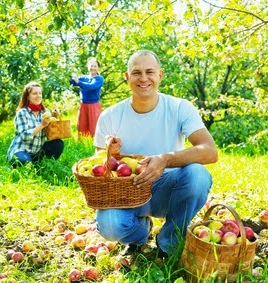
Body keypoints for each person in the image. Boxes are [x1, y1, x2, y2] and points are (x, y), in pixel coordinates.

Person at [93, 50, 218, 258]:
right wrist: (111, 155)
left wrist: (166, 158)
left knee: (198, 174)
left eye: (149, 72)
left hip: (168, 188)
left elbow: (210, 151)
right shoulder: (109, 116)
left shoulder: (179, 107)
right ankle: (138, 235)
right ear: (127, 77)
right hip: (127, 191)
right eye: (136, 72)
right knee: (110, 225)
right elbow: (98, 169)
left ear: (160, 75)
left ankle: (168, 242)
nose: (143, 78)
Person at [7, 81, 64, 166]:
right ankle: (28, 163)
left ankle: (38, 163)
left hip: (37, 151)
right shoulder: (22, 113)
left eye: (40, 93)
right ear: (27, 97)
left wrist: (56, 118)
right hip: (21, 149)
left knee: (58, 144)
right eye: (34, 94)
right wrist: (42, 125)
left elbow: (53, 135)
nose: (38, 96)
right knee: (24, 161)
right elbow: (24, 136)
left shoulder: (45, 112)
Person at [70, 57, 104, 139]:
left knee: (94, 126)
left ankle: (96, 145)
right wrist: (72, 77)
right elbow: (73, 82)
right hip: (83, 105)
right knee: (82, 125)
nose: (93, 68)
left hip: (93, 105)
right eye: (91, 66)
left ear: (98, 68)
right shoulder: (84, 77)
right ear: (88, 67)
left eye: (95, 66)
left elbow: (91, 86)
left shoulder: (99, 79)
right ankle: (82, 143)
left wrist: (78, 82)